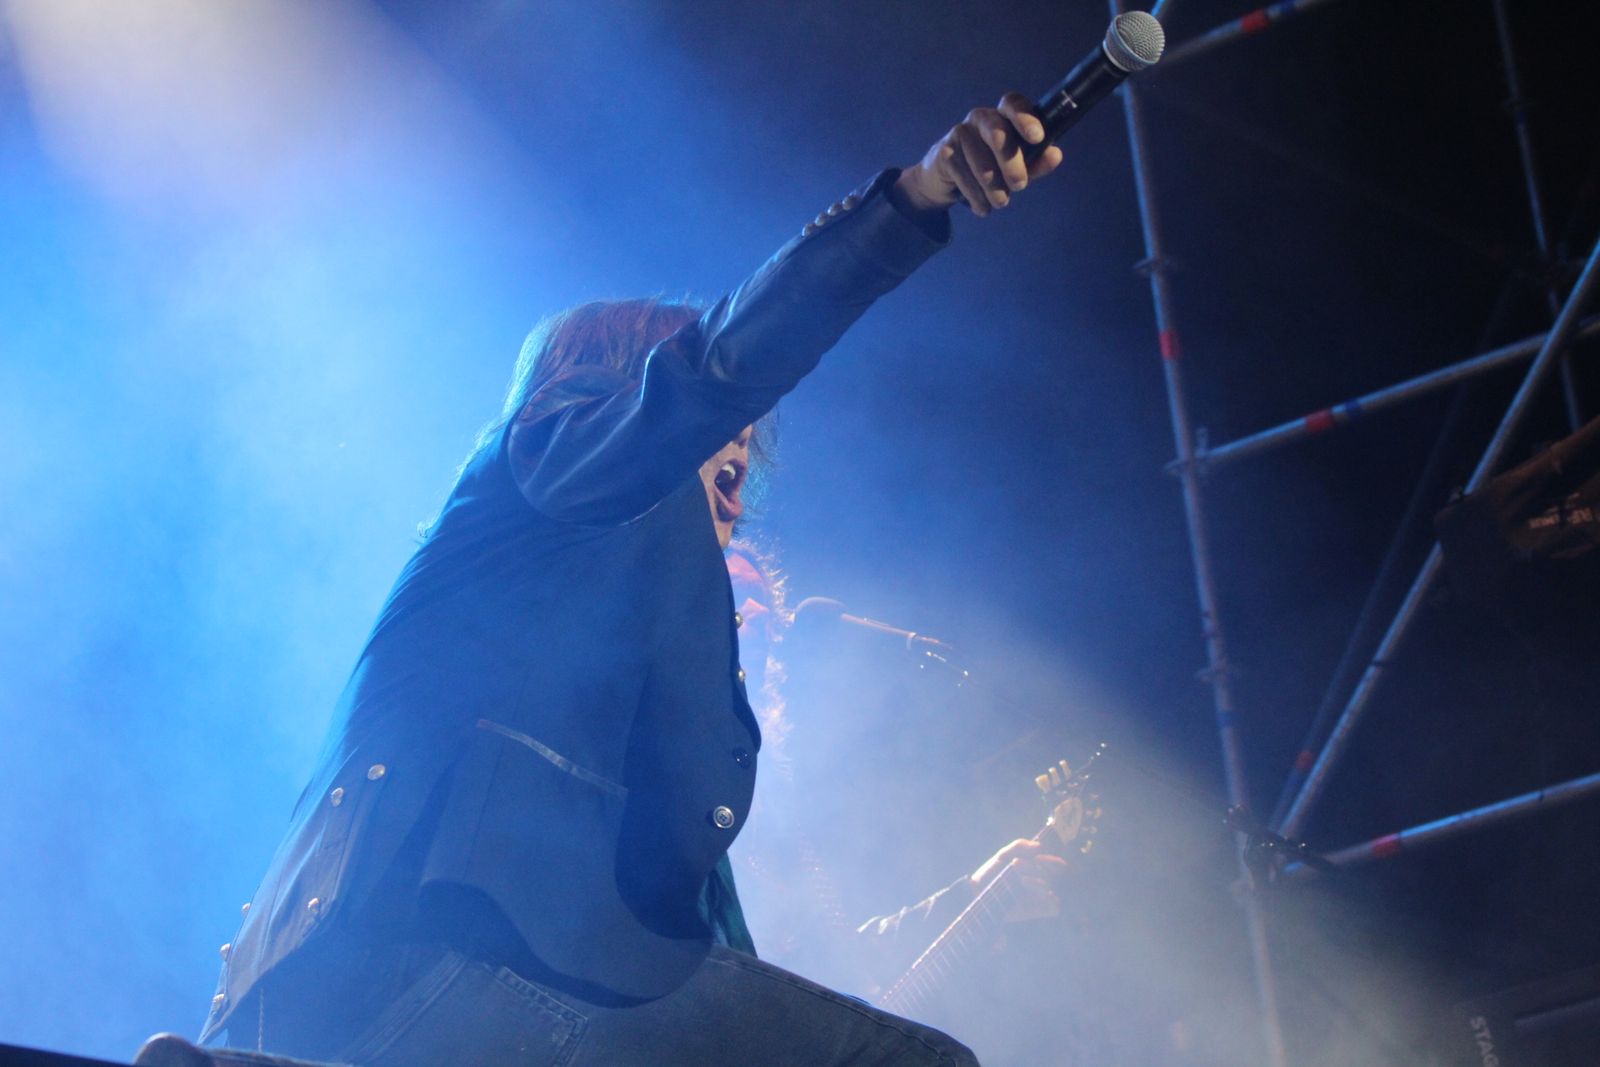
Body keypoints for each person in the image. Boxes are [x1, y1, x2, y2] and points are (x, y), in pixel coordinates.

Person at [197, 95, 1063, 1066]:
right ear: (621, 392)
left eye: (743, 463)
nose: (737, 463)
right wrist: (912, 198)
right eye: (717, 437)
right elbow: (714, 376)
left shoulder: (637, 671)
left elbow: (691, 933)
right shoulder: (535, 475)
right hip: (412, 965)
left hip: (520, 984)